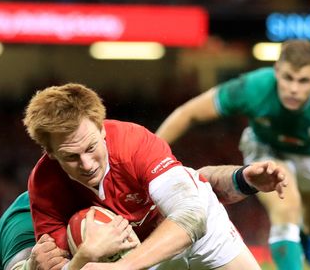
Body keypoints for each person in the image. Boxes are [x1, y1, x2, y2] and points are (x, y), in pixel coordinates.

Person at [155, 39, 310, 270]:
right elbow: (188, 113)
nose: (294, 89)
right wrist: (153, 158)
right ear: (276, 71)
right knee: (286, 209)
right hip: (266, 149)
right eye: (288, 78)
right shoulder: (252, 87)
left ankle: (309, 236)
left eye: (303, 81)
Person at [23, 83, 277, 270]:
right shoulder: (44, 185)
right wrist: (83, 257)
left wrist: (124, 268)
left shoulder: (134, 142)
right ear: (51, 152)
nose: (87, 164)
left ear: (101, 129)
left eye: (91, 148)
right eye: (71, 156)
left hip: (201, 236)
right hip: (137, 259)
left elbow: (191, 216)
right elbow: (58, 266)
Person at [0, 162, 288, 270]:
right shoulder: (25, 224)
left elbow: (196, 180)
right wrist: (84, 258)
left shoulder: (124, 188)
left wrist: (243, 178)